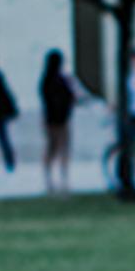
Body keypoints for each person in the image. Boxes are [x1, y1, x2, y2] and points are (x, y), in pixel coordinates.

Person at [39, 48, 84, 194]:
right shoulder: (61, 80)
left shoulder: (46, 80)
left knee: (52, 149)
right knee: (62, 148)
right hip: (61, 119)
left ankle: (50, 180)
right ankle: (63, 180)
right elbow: (73, 97)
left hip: (51, 119)